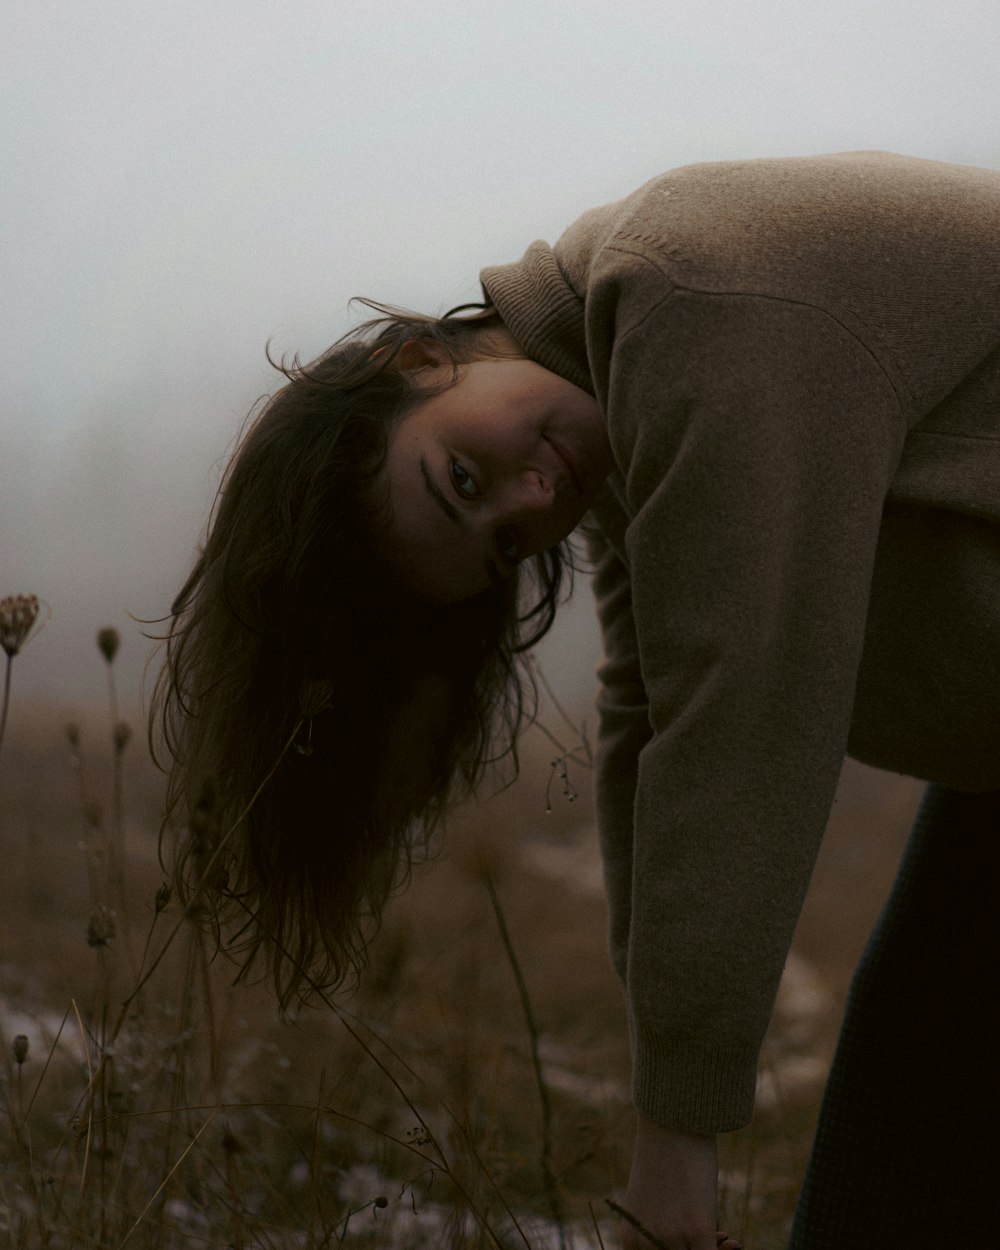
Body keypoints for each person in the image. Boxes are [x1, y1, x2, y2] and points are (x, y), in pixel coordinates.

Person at [154, 151, 1000, 1250]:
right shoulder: (613, 375)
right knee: (914, 1084)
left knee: (916, 1086)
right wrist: (664, 1057)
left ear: (419, 361)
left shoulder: (688, 296)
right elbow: (644, 706)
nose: (533, 496)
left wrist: (673, 1147)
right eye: (504, 538)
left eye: (462, 474)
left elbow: (735, 720)